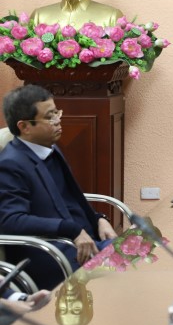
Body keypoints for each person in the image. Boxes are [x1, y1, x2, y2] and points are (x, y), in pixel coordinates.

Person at [0, 85, 117, 290]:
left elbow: (70, 200)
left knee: (145, 247)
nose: (57, 120)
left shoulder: (50, 149)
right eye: (49, 117)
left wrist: (99, 219)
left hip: (86, 242)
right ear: (25, 126)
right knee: (134, 265)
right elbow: (10, 220)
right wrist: (71, 229)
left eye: (57, 112)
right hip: (53, 255)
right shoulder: (10, 164)